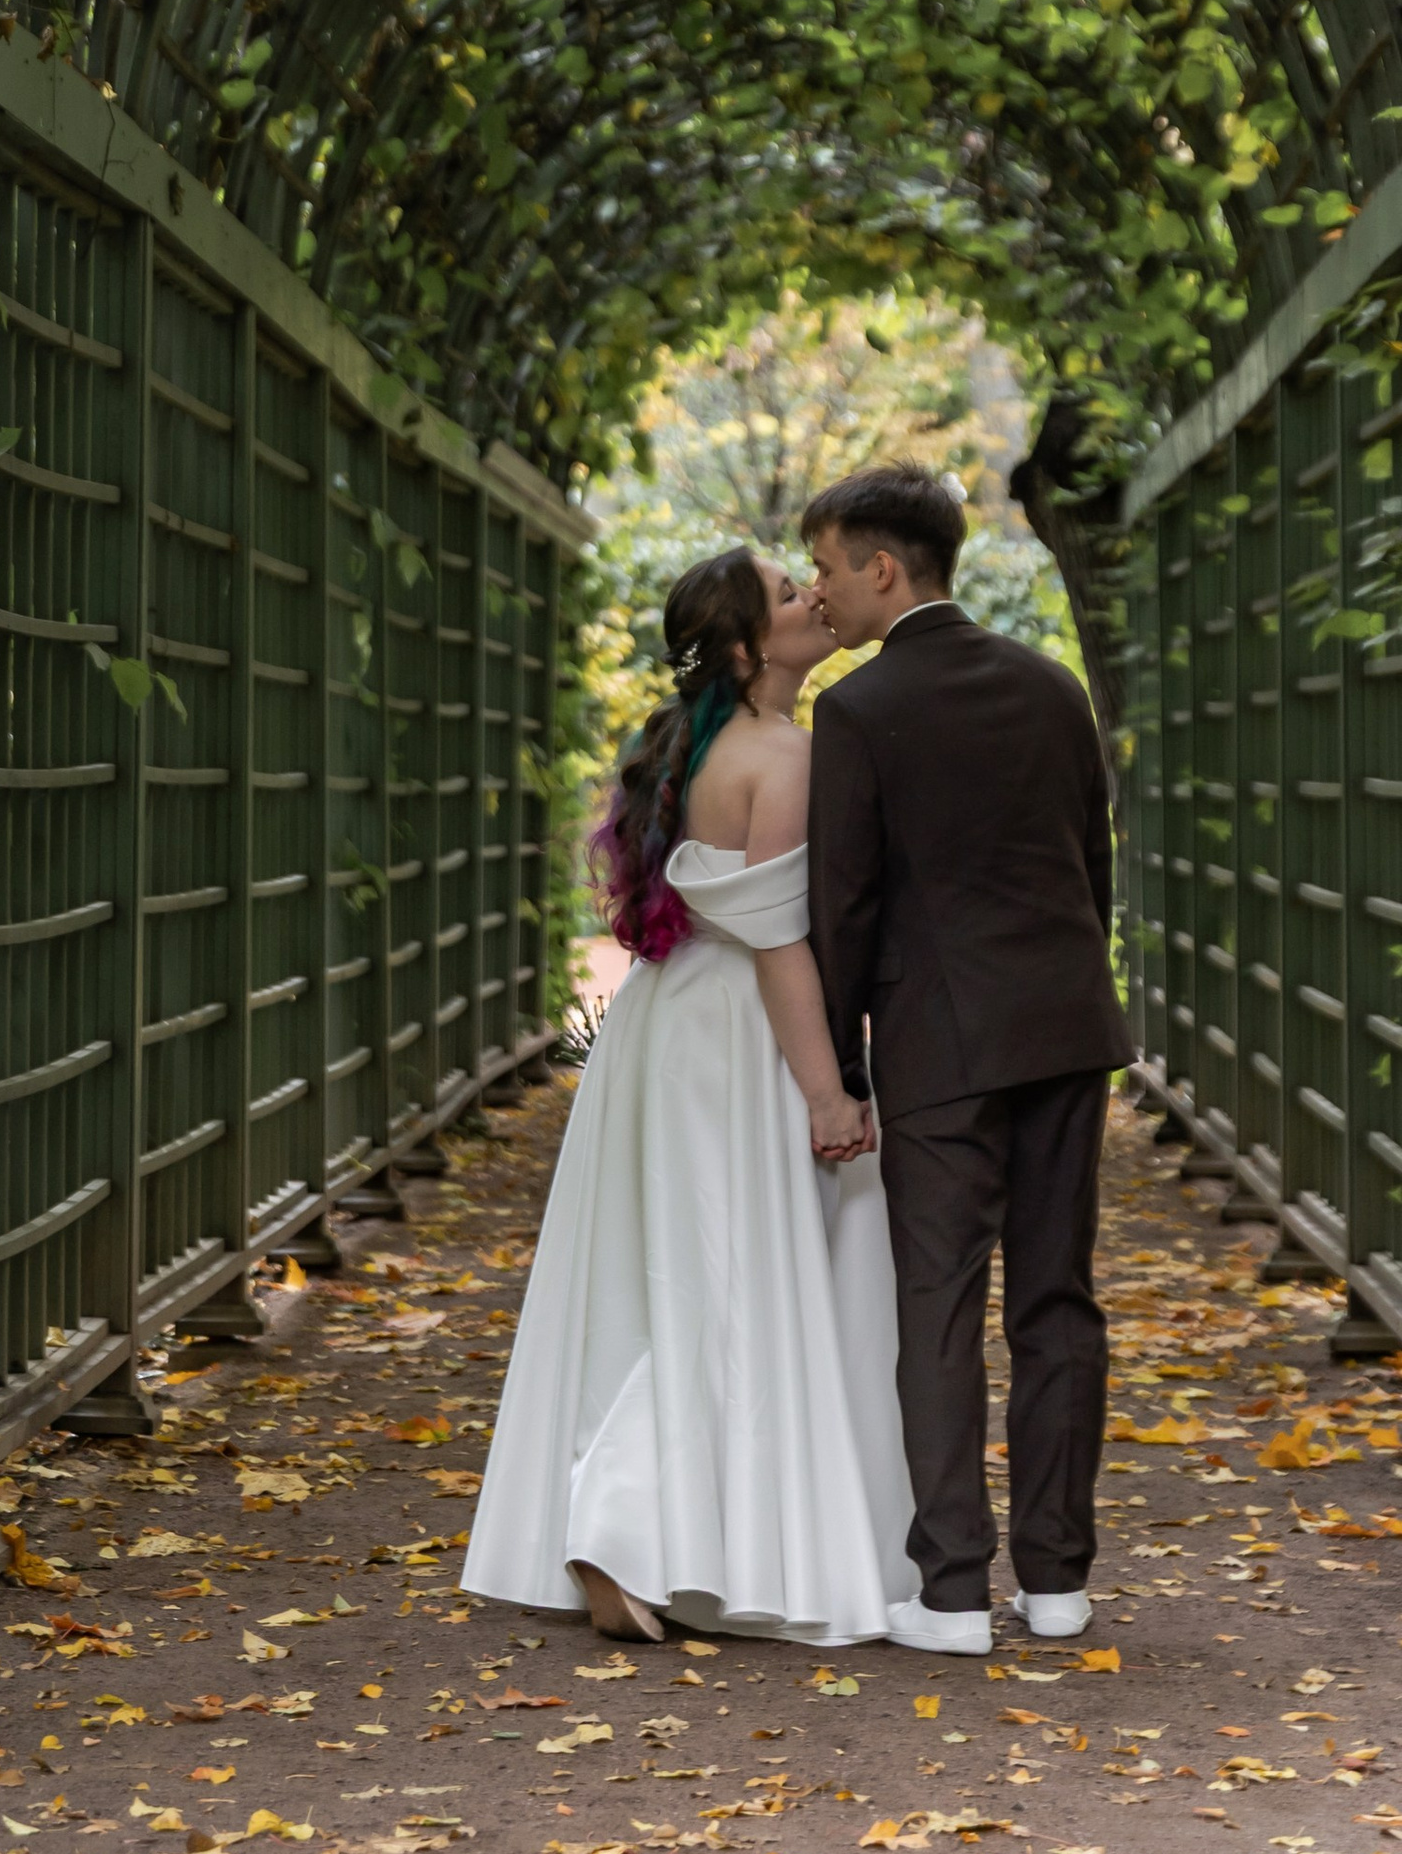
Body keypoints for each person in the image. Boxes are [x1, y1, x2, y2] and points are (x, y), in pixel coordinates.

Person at [463, 546, 919, 1644]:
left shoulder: (698, 745)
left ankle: (639, 1522)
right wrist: (827, 1091)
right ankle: (625, 1526)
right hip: (738, 1035)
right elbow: (777, 944)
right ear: (746, 648)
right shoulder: (784, 754)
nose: (813, 596)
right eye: (788, 593)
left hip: (666, 1021)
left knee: (673, 1274)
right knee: (729, 1275)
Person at [803, 460, 1132, 1660]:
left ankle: (949, 1591)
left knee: (937, 1307)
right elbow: (1089, 869)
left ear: (884, 569)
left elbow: (843, 907)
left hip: (939, 1041)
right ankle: (1056, 1583)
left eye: (828, 568)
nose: (819, 592)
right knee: (1057, 1302)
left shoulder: (858, 711)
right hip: (1064, 1027)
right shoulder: (1053, 687)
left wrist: (840, 1068)